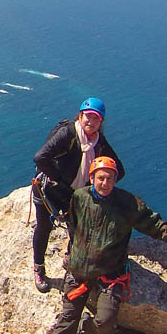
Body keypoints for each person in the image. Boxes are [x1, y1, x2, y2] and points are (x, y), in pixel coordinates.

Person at [38, 156, 167, 334]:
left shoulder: (128, 204)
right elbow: (72, 224)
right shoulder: (80, 198)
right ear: (91, 178)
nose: (105, 182)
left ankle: (88, 332)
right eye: (100, 177)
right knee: (67, 318)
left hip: (109, 276)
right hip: (79, 272)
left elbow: (154, 225)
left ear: (115, 180)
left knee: (106, 320)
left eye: (109, 178)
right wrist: (71, 253)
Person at [31, 97, 124, 293]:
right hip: (49, 189)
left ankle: (71, 260)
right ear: (80, 116)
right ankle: (39, 268)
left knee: (79, 228)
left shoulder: (99, 142)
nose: (91, 122)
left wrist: (98, 185)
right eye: (88, 117)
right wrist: (60, 180)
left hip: (74, 193)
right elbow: (40, 158)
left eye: (96, 119)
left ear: (101, 122)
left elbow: (119, 170)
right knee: (44, 227)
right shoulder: (68, 134)